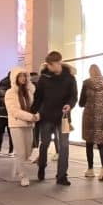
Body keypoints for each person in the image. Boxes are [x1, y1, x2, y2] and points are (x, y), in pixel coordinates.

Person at [32, 51, 78, 186]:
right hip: (46, 116)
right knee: (45, 143)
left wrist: (69, 105)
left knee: (64, 146)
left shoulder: (69, 78)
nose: (50, 67)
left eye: (51, 65)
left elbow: (73, 96)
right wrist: (32, 113)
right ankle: (41, 167)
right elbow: (38, 97)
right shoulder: (44, 78)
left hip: (63, 117)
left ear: (58, 63)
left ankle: (62, 176)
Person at [4, 67, 40, 187]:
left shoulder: (29, 92)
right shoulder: (10, 93)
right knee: (20, 152)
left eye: (25, 76)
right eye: (20, 76)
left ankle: (18, 169)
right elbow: (14, 111)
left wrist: (36, 116)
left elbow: (35, 106)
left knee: (27, 152)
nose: (23, 78)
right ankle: (23, 176)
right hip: (16, 125)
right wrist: (31, 117)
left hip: (29, 125)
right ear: (15, 78)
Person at [79, 64, 103, 181]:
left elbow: (81, 102)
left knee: (89, 143)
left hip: (90, 116)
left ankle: (90, 169)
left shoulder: (87, 83)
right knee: (102, 142)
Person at [0, 73, 14, 156]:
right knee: (11, 133)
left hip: (0, 114)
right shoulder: (14, 89)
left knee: (0, 132)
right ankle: (11, 151)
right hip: (11, 115)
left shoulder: (0, 88)